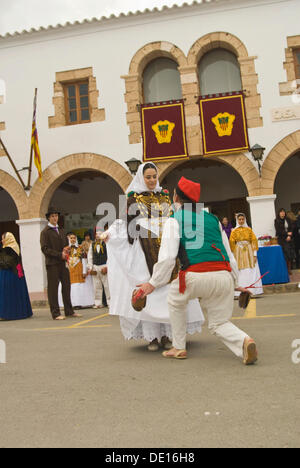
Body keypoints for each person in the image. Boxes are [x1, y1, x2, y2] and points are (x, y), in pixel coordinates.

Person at [137, 177, 257, 365]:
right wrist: (236, 283)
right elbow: (229, 254)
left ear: (175, 197)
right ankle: (245, 341)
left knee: (175, 299)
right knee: (219, 323)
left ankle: (179, 346)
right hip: (224, 276)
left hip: (194, 277)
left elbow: (168, 258)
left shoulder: (174, 220)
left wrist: (152, 284)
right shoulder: (214, 220)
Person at [104, 163, 204, 352]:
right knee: (150, 290)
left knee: (168, 291)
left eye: (154, 176)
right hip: (144, 249)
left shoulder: (164, 195)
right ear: (142, 177)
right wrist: (109, 232)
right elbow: (125, 221)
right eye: (148, 177)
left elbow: (174, 218)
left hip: (167, 248)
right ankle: (153, 337)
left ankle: (168, 334)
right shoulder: (133, 197)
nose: (151, 180)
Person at [40, 207, 82, 320]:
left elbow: (64, 245)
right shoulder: (45, 232)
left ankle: (69, 311)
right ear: (49, 218)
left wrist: (66, 250)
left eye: (56, 216)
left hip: (63, 263)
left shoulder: (62, 230)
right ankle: (55, 313)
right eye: (52, 216)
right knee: (53, 288)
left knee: (67, 286)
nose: (55, 218)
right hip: (52, 263)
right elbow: (44, 249)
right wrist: (59, 254)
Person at [0, 232, 33, 321]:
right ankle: (22, 312)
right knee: (18, 293)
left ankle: (8, 314)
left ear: (7, 239)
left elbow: (7, 263)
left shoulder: (9, 249)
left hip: (10, 274)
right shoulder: (15, 246)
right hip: (18, 272)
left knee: (8, 294)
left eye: (3, 238)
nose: (2, 240)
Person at [229, 213, 263, 297]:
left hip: (249, 251)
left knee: (251, 269)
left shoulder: (249, 230)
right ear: (237, 220)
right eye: (239, 219)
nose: (241, 221)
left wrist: (255, 255)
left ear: (245, 220)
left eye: (242, 219)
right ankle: (239, 292)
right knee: (240, 270)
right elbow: (231, 244)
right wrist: (233, 255)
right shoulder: (234, 231)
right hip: (238, 252)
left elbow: (254, 241)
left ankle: (253, 291)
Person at [58, 233, 94, 309]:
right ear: (69, 239)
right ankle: (71, 304)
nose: (73, 239)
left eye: (74, 238)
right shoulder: (66, 249)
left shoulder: (81, 248)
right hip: (70, 270)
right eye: (71, 238)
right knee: (71, 287)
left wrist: (84, 271)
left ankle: (81, 303)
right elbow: (63, 260)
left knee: (79, 287)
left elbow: (84, 260)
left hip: (79, 269)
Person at [87, 230, 110, 309]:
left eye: (100, 234)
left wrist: (107, 266)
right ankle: (98, 303)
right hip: (95, 266)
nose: (98, 236)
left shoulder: (106, 244)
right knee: (96, 286)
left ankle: (110, 302)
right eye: (97, 234)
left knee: (107, 286)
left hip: (104, 265)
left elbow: (109, 256)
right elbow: (90, 256)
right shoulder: (92, 244)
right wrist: (90, 267)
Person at [274, 208, 294, 275]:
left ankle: (289, 269)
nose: (282, 213)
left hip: (288, 239)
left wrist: (289, 236)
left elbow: (291, 228)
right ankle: (284, 270)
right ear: (279, 213)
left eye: (283, 212)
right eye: (281, 212)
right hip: (281, 239)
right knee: (284, 255)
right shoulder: (276, 221)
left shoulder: (287, 219)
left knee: (289, 254)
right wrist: (287, 234)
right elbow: (279, 231)